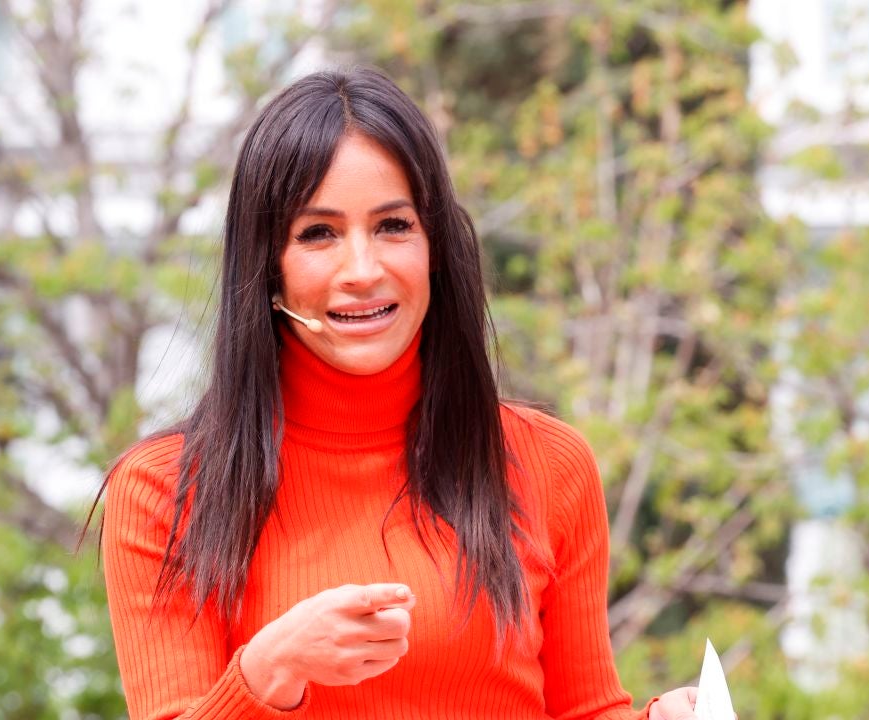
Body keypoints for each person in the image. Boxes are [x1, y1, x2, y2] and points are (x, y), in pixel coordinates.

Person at [99, 67, 702, 719]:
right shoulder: (164, 492)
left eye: (393, 225)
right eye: (318, 233)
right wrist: (271, 669)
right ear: (268, 267)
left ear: (435, 247)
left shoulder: (549, 464)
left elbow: (584, 709)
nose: (363, 271)